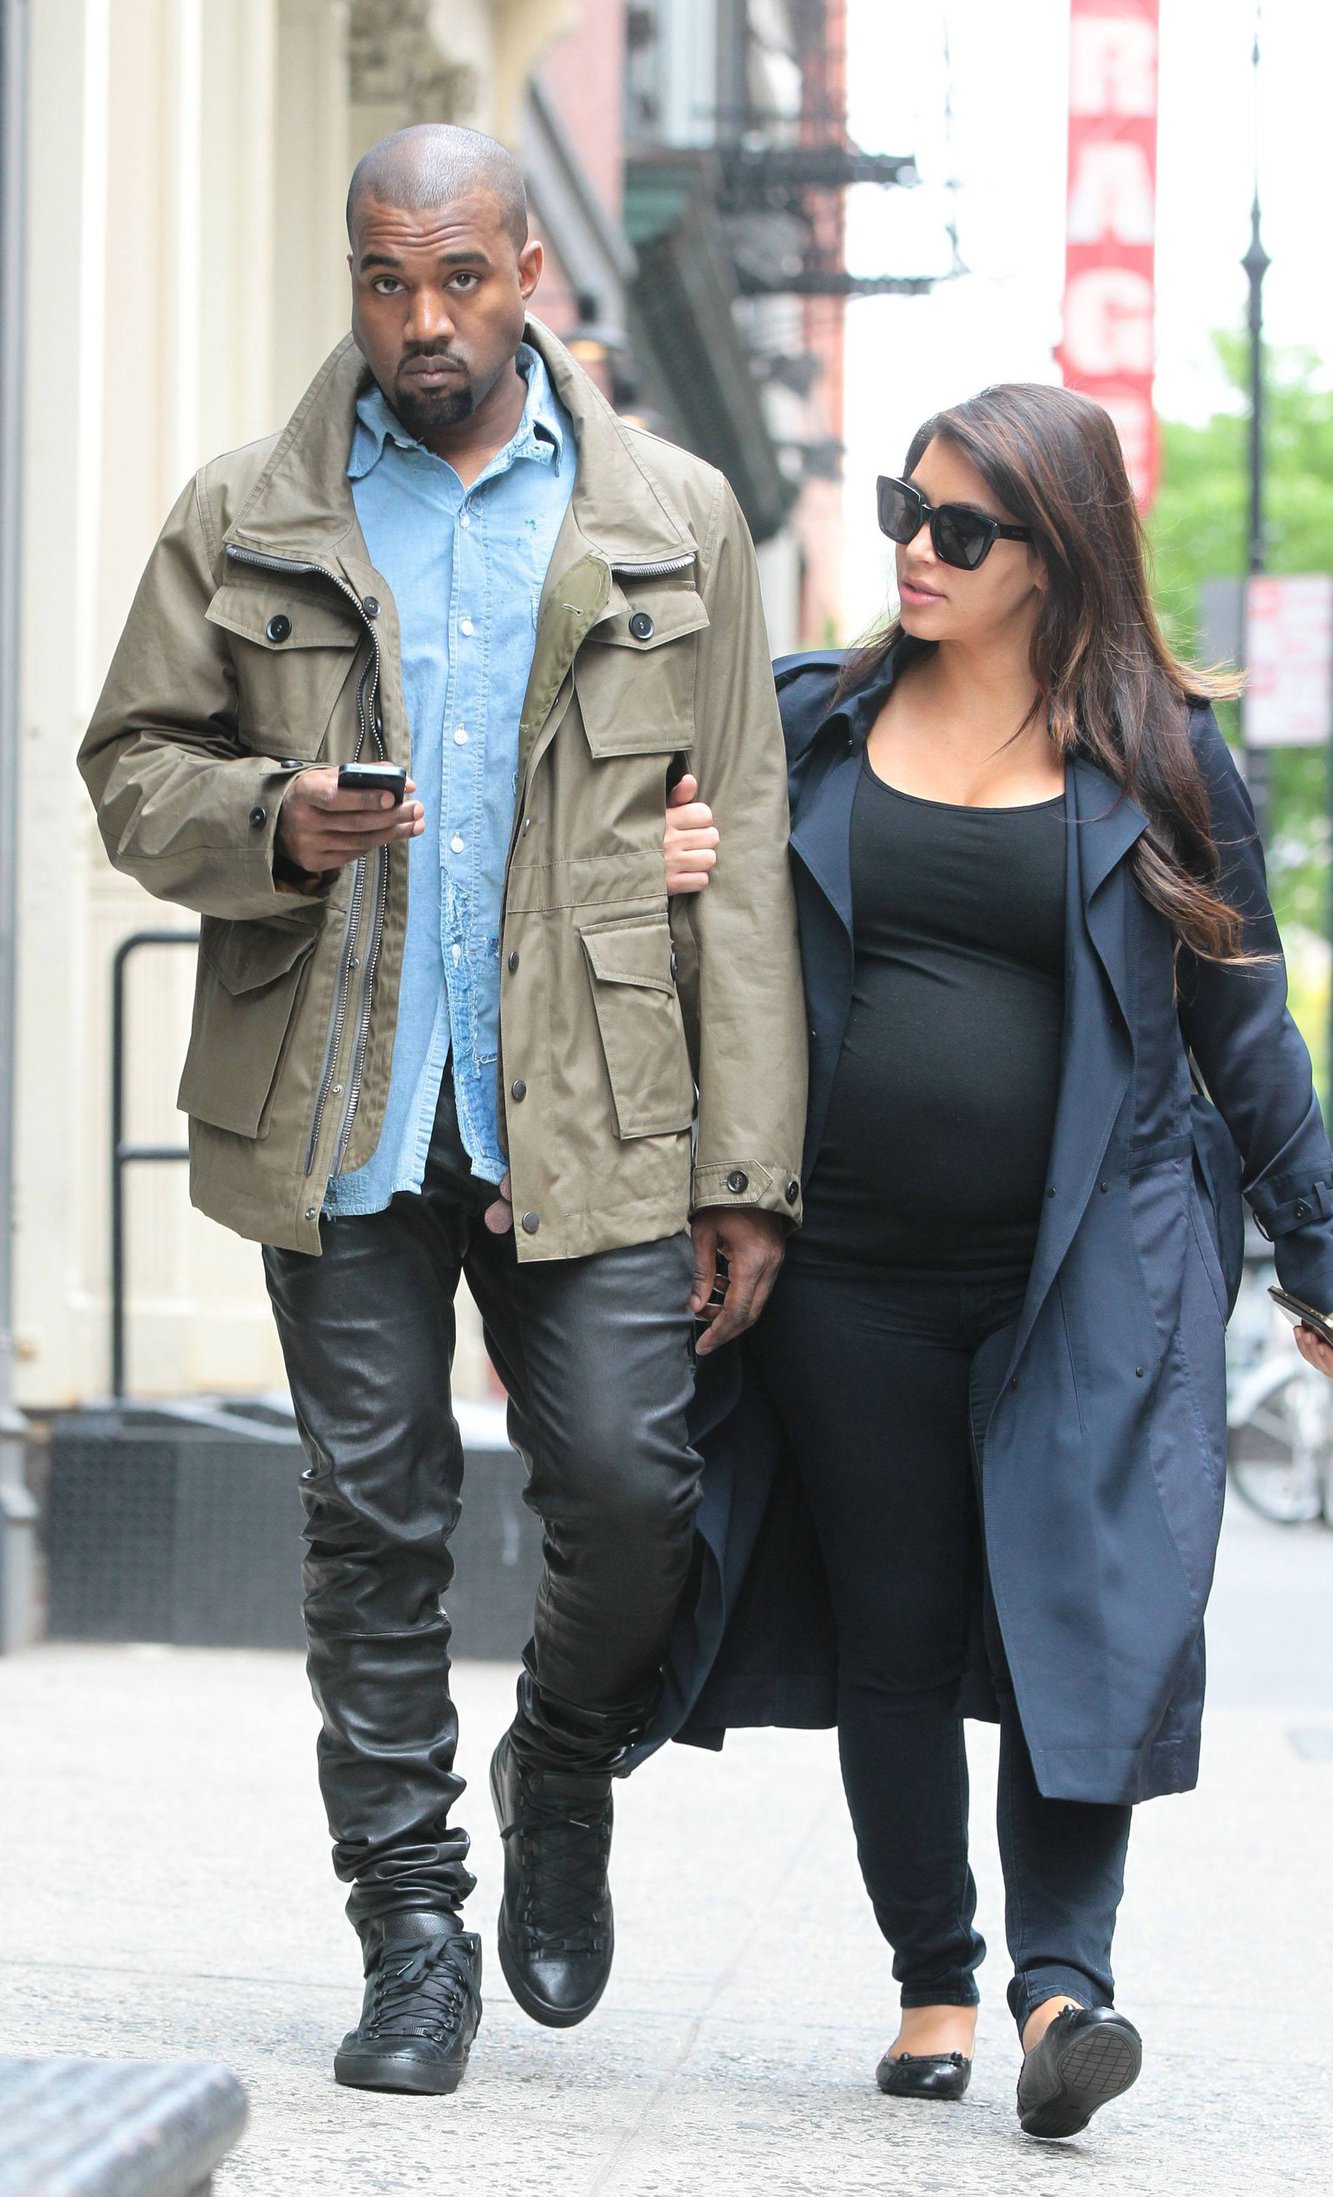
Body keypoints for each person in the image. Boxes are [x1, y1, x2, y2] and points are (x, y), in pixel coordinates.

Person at [79, 124, 806, 2097]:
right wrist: (268, 820)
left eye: (459, 278)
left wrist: (746, 1164)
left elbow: (731, 849)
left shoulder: (676, 515)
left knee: (637, 1495)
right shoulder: (248, 511)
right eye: (387, 280)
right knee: (372, 1521)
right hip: (345, 1103)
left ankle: (561, 1753)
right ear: (356, 274)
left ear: (526, 276)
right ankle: (414, 1935)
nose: (422, 319)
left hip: (598, 1104)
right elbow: (133, 759)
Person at [656, 381, 1333, 2140]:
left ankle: (1068, 1987)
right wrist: (671, 868)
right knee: (893, 1632)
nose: (913, 548)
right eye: (908, 509)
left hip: (1086, 1271)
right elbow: (696, 924)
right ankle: (933, 1980)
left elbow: (1244, 1019)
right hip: (849, 1274)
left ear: (1055, 556)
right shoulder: (815, 719)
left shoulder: (1162, 755)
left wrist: (1316, 1247)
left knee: (1080, 1608)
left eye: (958, 529)